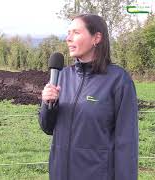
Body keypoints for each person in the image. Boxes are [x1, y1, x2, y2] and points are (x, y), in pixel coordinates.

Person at [39, 14, 138, 180]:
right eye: (68, 33)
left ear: (96, 38)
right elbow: (47, 127)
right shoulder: (62, 76)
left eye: (76, 32)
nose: (68, 38)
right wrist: (48, 104)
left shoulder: (118, 80)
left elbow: (126, 144)